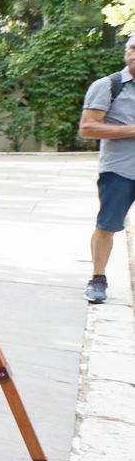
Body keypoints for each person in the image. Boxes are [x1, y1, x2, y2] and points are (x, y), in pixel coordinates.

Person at [78, 31, 135, 303]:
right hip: (120, 171)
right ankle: (98, 278)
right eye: (132, 48)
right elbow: (88, 128)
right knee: (107, 225)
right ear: (125, 53)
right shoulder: (108, 86)